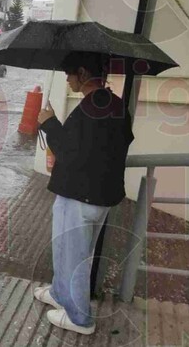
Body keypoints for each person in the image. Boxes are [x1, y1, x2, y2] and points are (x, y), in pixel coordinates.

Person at [35, 52, 134, 335]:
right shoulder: (115, 104)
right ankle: (59, 293)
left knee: (73, 256)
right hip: (101, 196)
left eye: (69, 74)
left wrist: (49, 122)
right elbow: (121, 141)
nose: (67, 79)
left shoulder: (90, 107)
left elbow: (69, 151)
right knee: (73, 251)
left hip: (78, 196)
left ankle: (80, 318)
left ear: (82, 73)